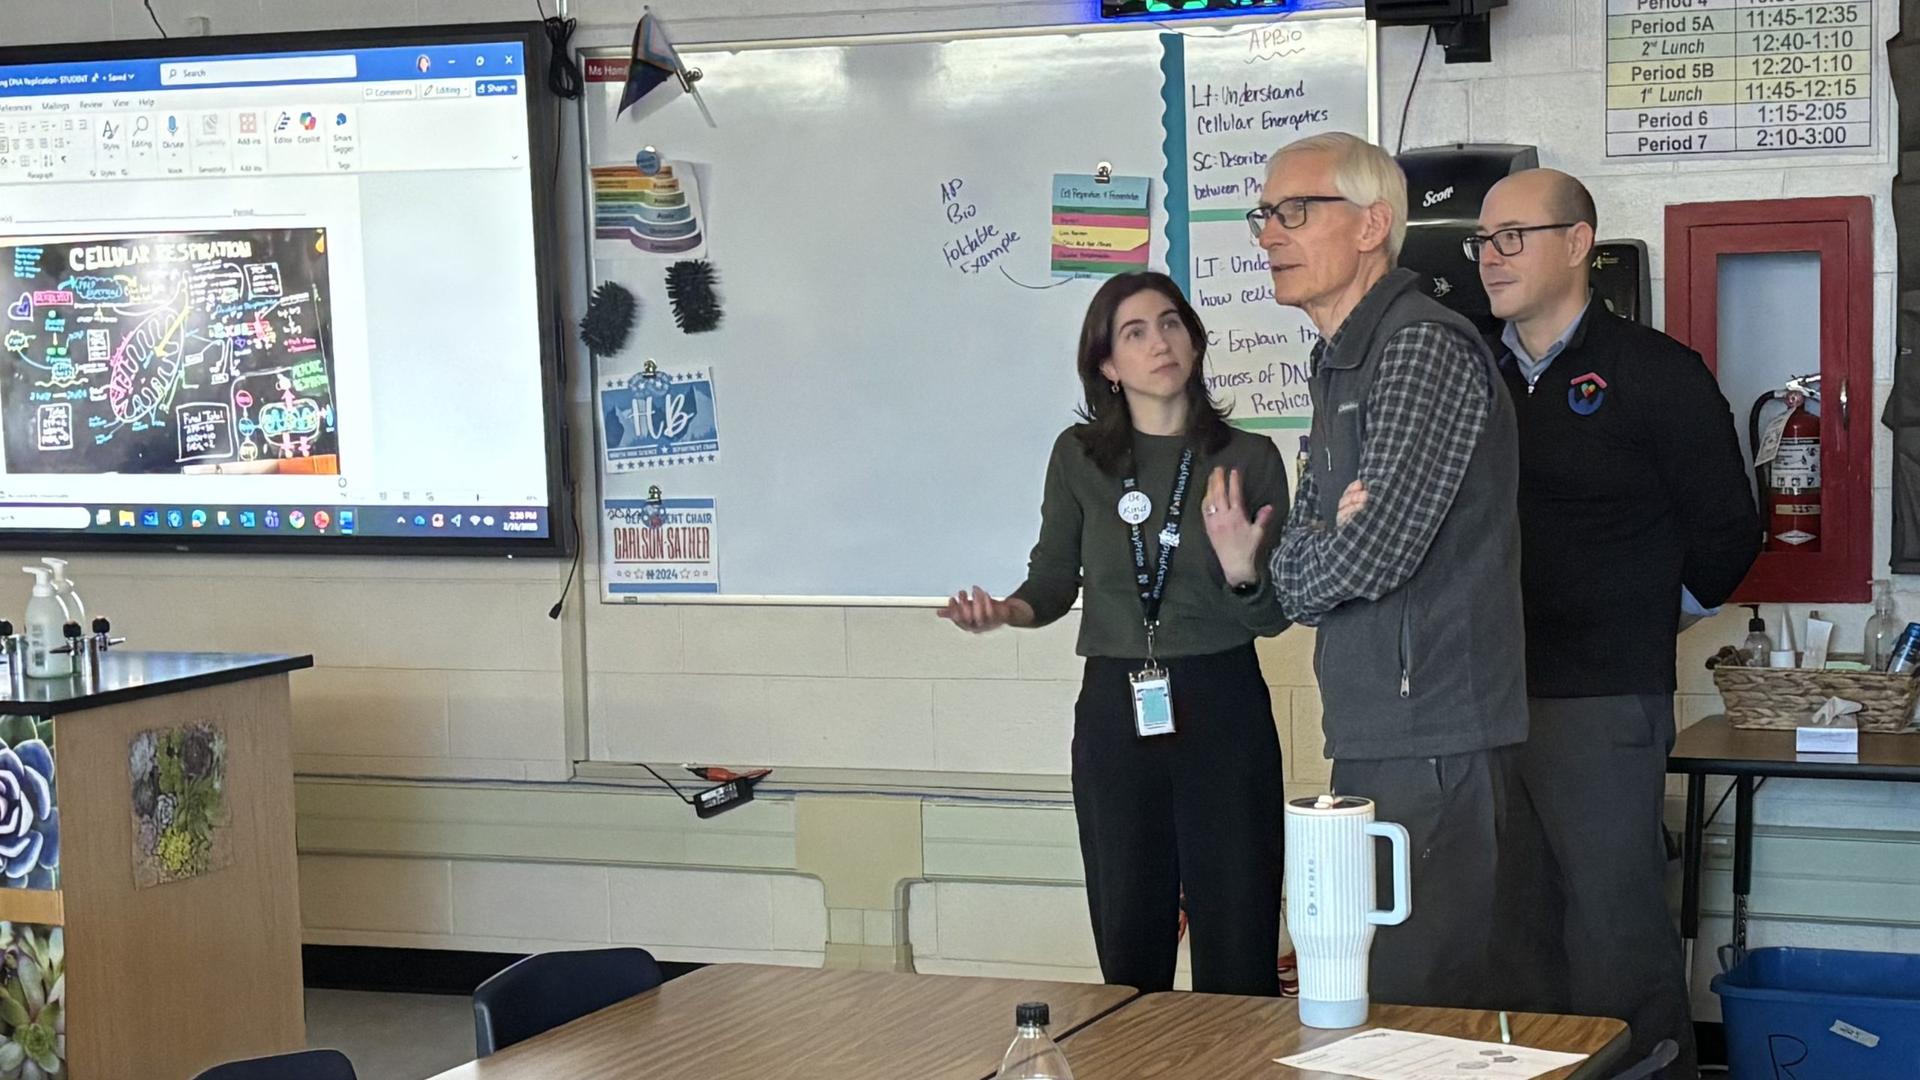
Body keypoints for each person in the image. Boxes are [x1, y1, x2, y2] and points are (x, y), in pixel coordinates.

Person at [1204, 132, 1528, 1010]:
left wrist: (1310, 560)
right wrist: (1319, 547)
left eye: (1296, 211)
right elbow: (1317, 543)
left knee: (1421, 999)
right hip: (1380, 724)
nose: (1269, 233)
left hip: (1431, 730)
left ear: (1373, 225)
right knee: (1377, 992)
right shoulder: (1342, 355)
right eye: (1264, 214)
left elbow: (1370, 552)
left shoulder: (1418, 346)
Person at [1476, 168, 1760, 1077]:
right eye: (1484, 241)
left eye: (1514, 235)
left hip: (1602, 696)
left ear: (1578, 242)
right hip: (1480, 697)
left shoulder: (1654, 371)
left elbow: (1728, 531)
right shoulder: (1470, 373)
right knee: (1511, 929)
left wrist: (1648, 615)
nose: (1492, 257)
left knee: (1613, 928)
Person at [939, 271, 1292, 996]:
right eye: (1135, 333)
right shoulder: (1079, 457)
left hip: (1222, 699)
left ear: (1193, 339)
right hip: (1115, 704)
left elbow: (1273, 616)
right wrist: (1005, 611)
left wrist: (1241, 569)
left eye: (1170, 324)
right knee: (1130, 933)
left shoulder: (1249, 459)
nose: (1159, 342)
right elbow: (1050, 581)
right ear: (1107, 364)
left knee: (1238, 931)